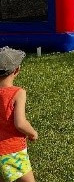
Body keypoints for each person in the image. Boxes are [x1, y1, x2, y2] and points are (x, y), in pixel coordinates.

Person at [0, 47, 38, 182]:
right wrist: (32, 133)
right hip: (11, 150)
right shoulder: (17, 93)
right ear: (16, 70)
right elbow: (20, 123)